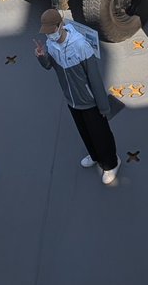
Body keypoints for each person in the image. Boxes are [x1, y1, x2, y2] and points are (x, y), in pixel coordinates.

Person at [35, 10, 120, 185]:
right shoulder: (50, 45)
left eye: (51, 30)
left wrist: (103, 106)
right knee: (85, 132)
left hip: (89, 102)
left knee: (101, 134)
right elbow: (49, 66)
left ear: (60, 26)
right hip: (72, 100)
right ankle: (95, 155)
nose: (49, 35)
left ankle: (112, 163)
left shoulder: (80, 45)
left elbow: (94, 78)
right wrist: (42, 57)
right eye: (46, 32)